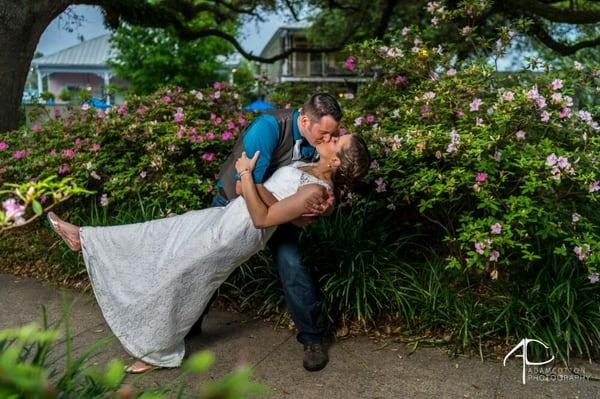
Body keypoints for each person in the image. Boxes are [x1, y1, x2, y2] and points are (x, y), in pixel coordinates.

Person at [47, 133, 370, 374]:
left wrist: (246, 176)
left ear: (337, 161)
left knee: (181, 275)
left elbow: (262, 218)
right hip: (230, 215)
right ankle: (85, 237)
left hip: (238, 232)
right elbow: (273, 199)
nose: (333, 136)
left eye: (339, 139)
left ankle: (157, 350)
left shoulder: (317, 192)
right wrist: (261, 194)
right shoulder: (309, 167)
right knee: (160, 233)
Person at [192, 93, 343, 372]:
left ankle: (312, 339)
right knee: (211, 264)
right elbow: (244, 186)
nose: (327, 140)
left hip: (277, 212)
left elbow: (323, 176)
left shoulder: (316, 139)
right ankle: (191, 322)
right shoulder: (268, 127)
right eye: (324, 133)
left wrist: (325, 205)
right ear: (306, 120)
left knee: (292, 264)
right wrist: (296, 215)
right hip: (236, 204)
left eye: (332, 134)